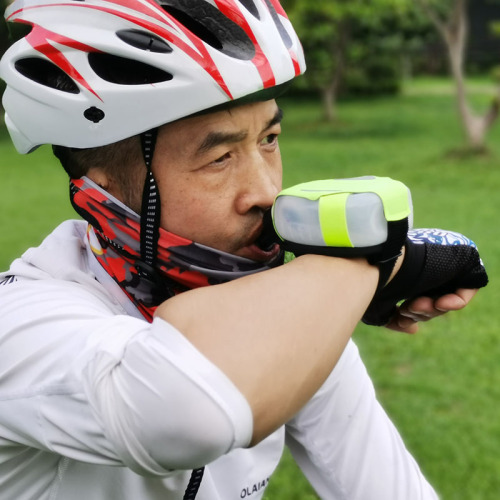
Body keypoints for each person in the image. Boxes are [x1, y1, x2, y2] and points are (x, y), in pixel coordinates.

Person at [0, 1, 487, 499]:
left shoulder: (283, 306)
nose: (266, 192)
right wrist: (375, 263)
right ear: (104, 190)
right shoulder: (20, 323)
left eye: (270, 138)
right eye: (219, 157)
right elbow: (187, 414)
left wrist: (349, 273)